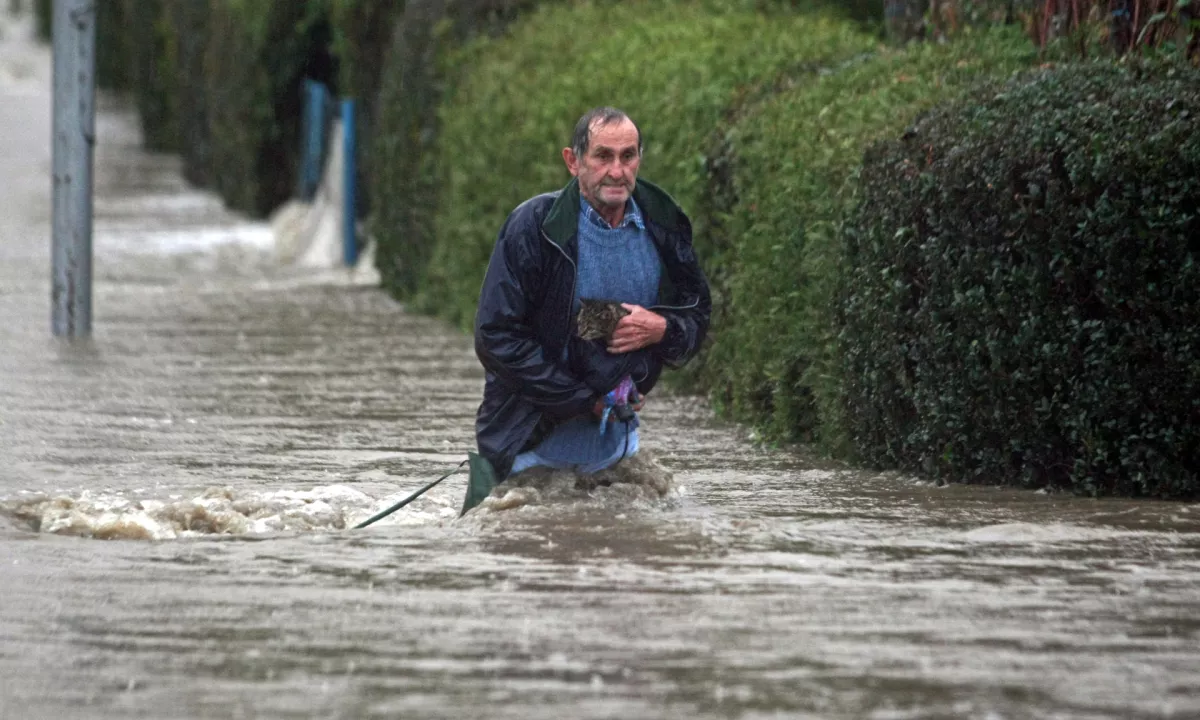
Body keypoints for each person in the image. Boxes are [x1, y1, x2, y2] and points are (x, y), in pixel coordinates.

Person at [470, 106, 711, 496]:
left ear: (639, 159)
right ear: (573, 161)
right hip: (524, 456)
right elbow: (495, 338)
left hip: (620, 458)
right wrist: (587, 402)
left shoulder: (664, 222)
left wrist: (662, 329)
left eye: (628, 156)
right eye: (603, 156)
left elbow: (697, 313)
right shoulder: (532, 226)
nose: (617, 171)